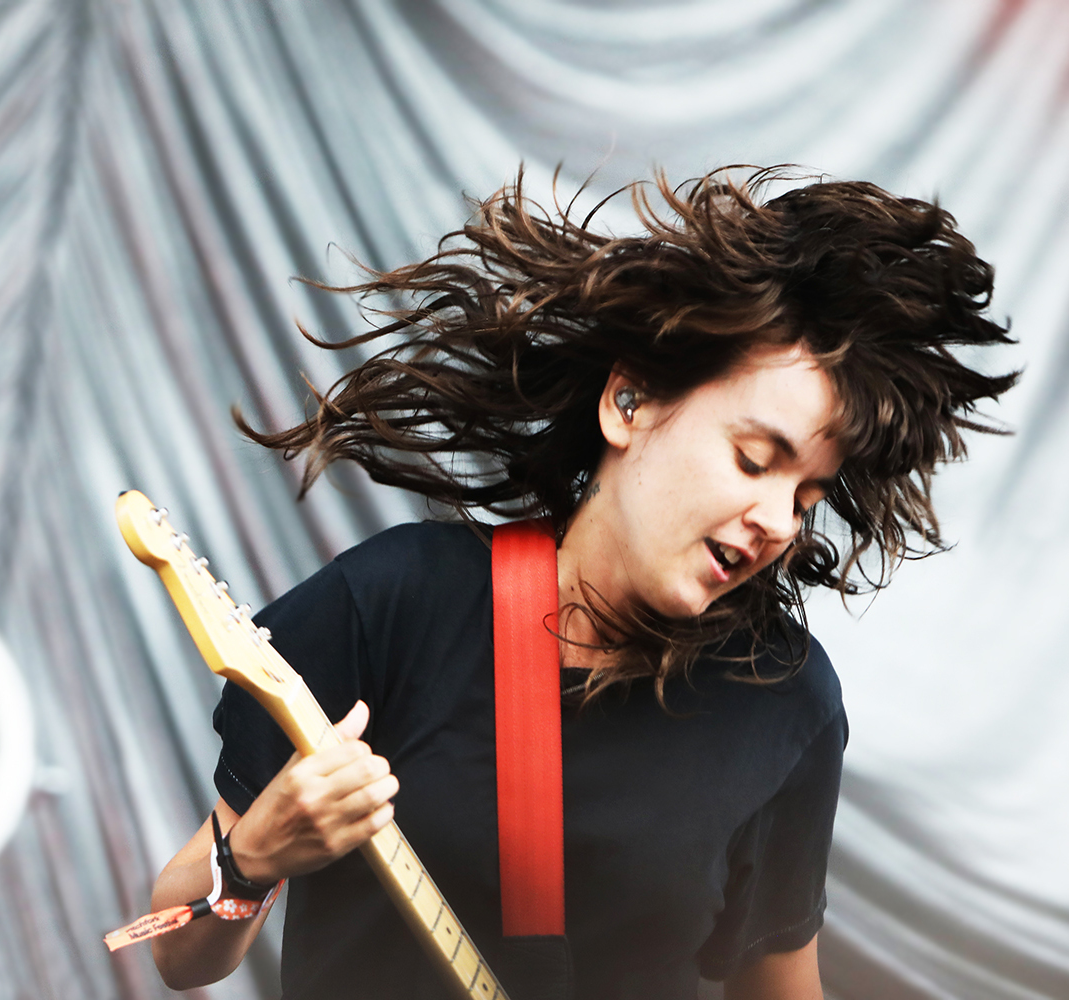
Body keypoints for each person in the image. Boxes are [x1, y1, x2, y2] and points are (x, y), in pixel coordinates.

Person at [147, 168, 1017, 999]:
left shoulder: (783, 702)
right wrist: (251, 859)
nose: (782, 521)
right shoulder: (395, 602)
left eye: (808, 497)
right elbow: (173, 949)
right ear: (628, 403)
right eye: (755, 460)